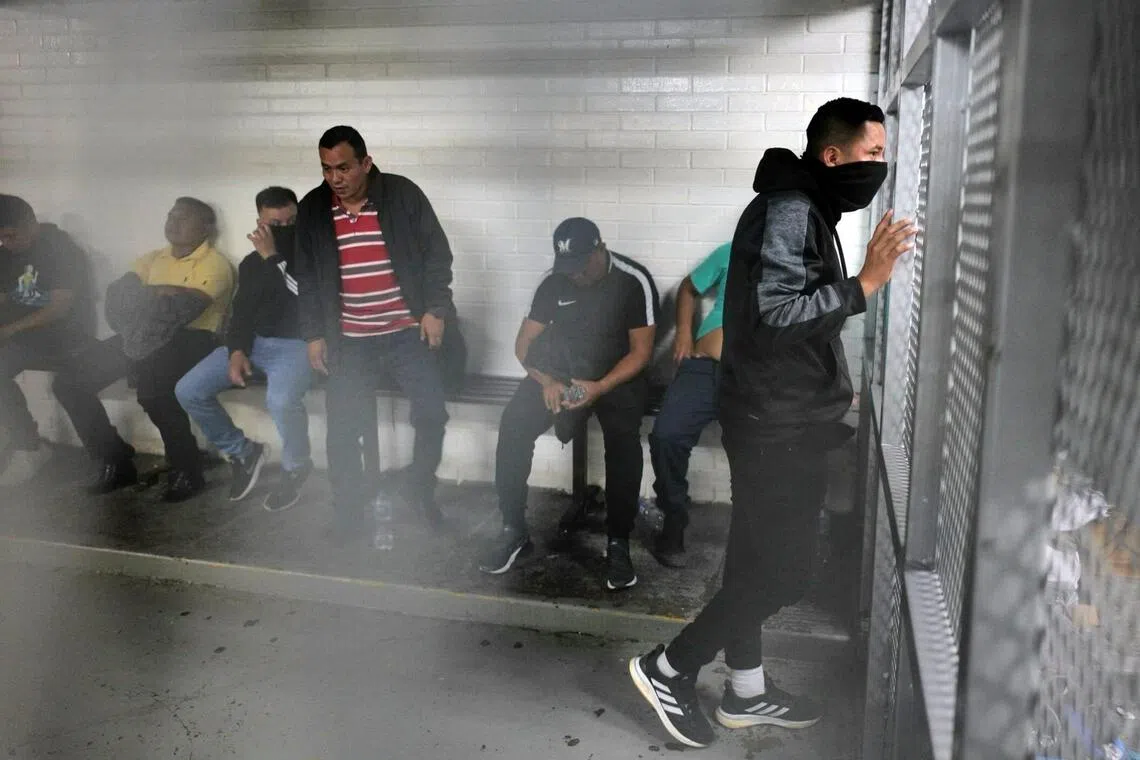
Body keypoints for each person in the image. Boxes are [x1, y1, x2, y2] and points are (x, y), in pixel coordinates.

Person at [628, 98, 916, 747]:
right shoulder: (791, 207)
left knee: (753, 565)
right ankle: (669, 667)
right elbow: (779, 314)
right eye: (872, 153)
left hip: (776, 414)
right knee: (784, 572)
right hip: (775, 425)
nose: (880, 165)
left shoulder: (805, 206)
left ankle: (746, 693)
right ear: (832, 154)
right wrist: (863, 284)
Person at [293, 125, 455, 541]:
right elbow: (308, 277)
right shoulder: (313, 208)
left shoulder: (401, 195)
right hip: (350, 339)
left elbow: (438, 254)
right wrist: (314, 334)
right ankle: (349, 509)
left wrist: (435, 309)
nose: (336, 178)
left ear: (366, 162)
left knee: (432, 413)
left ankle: (420, 489)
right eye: (327, 169)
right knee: (344, 428)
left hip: (406, 332)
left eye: (344, 167)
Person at [480, 217, 659, 591]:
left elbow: (642, 353)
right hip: (561, 375)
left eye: (580, 266)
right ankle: (513, 529)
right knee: (514, 424)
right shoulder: (552, 281)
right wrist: (548, 381)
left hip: (616, 375)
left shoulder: (632, 280)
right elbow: (523, 345)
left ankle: (618, 541)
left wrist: (600, 386)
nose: (574, 275)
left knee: (623, 438)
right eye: (568, 268)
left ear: (600, 249)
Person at [52, 197, 235, 502]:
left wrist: (147, 296)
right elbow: (118, 298)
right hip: (139, 334)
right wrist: (161, 294)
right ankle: (114, 459)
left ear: (206, 227)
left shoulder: (214, 263)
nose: (173, 223)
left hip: (193, 340)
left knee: (154, 391)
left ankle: (187, 469)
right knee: (70, 382)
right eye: (170, 216)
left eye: (183, 218)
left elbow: (184, 310)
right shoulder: (152, 259)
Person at [175, 187, 313, 511]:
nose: (285, 229)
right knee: (188, 389)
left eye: (292, 220)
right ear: (260, 224)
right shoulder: (252, 264)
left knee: (280, 401)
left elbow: (307, 299)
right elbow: (242, 313)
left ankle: (297, 466)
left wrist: (273, 258)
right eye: (275, 224)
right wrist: (237, 350)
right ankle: (244, 452)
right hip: (255, 343)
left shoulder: (314, 255)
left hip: (298, 344)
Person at [0, 195, 95, 485]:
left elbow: (59, 309)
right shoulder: (6, 254)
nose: (6, 243)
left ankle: (29, 447)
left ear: (31, 223)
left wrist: (8, 331)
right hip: (19, 333)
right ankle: (18, 436)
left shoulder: (62, 250)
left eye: (10, 235)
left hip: (61, 335)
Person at [647, 242, 731, 567]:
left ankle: (753, 538)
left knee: (763, 449)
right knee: (666, 436)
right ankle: (674, 519)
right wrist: (684, 330)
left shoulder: (799, 258)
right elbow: (689, 287)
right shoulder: (733, 249)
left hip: (756, 378)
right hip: (705, 366)